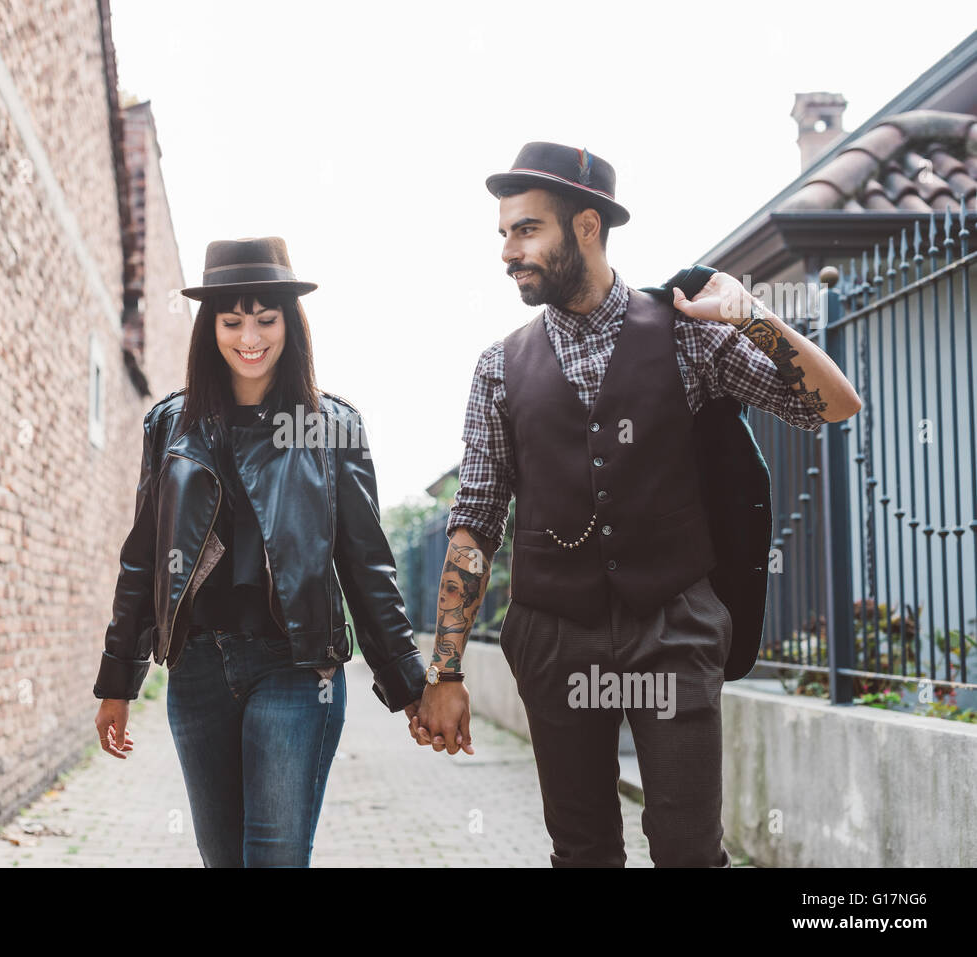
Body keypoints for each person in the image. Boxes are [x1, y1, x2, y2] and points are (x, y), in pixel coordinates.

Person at [414, 142, 862, 867]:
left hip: (674, 626)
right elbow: (475, 521)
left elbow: (835, 405)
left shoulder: (686, 330)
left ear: (586, 226)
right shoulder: (498, 367)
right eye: (503, 234)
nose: (508, 251)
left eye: (526, 229)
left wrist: (748, 314)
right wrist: (446, 671)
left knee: (688, 850)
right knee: (582, 851)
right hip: (555, 635)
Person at [92, 236, 428, 867]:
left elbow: (366, 566)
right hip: (196, 671)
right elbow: (142, 559)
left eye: (266, 318)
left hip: (297, 669)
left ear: (289, 325)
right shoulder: (171, 424)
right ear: (208, 327)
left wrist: (410, 683)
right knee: (224, 860)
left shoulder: (331, 427)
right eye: (232, 319)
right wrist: (118, 680)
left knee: (273, 858)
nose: (250, 336)